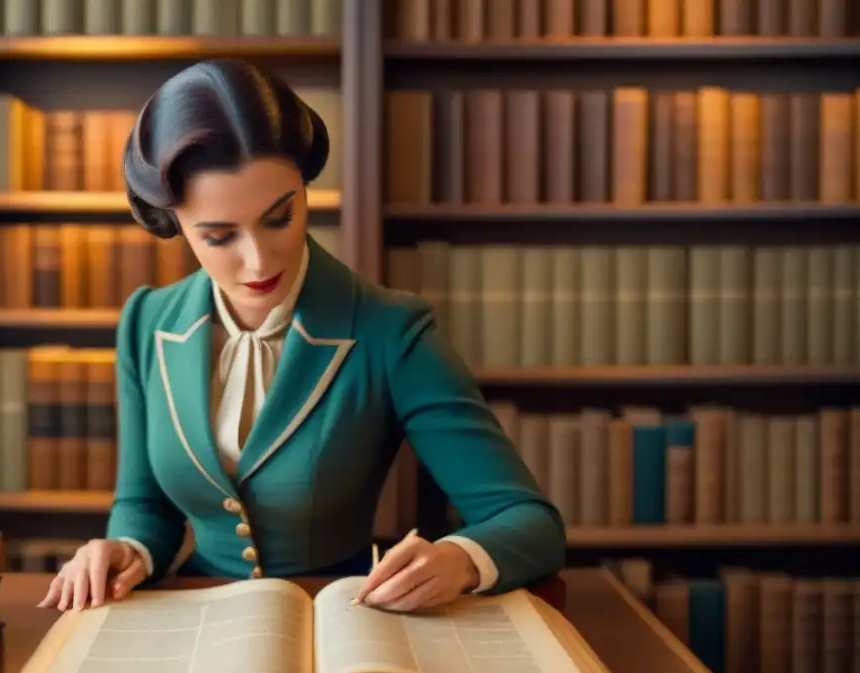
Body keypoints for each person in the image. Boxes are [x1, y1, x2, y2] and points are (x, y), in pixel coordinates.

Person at [39, 59, 566, 615]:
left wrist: (461, 558)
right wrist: (128, 548)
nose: (259, 261)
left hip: (342, 620)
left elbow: (532, 524)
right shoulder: (147, 321)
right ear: (172, 222)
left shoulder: (391, 330)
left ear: (304, 189)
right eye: (219, 236)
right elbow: (145, 507)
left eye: (279, 218)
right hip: (196, 623)